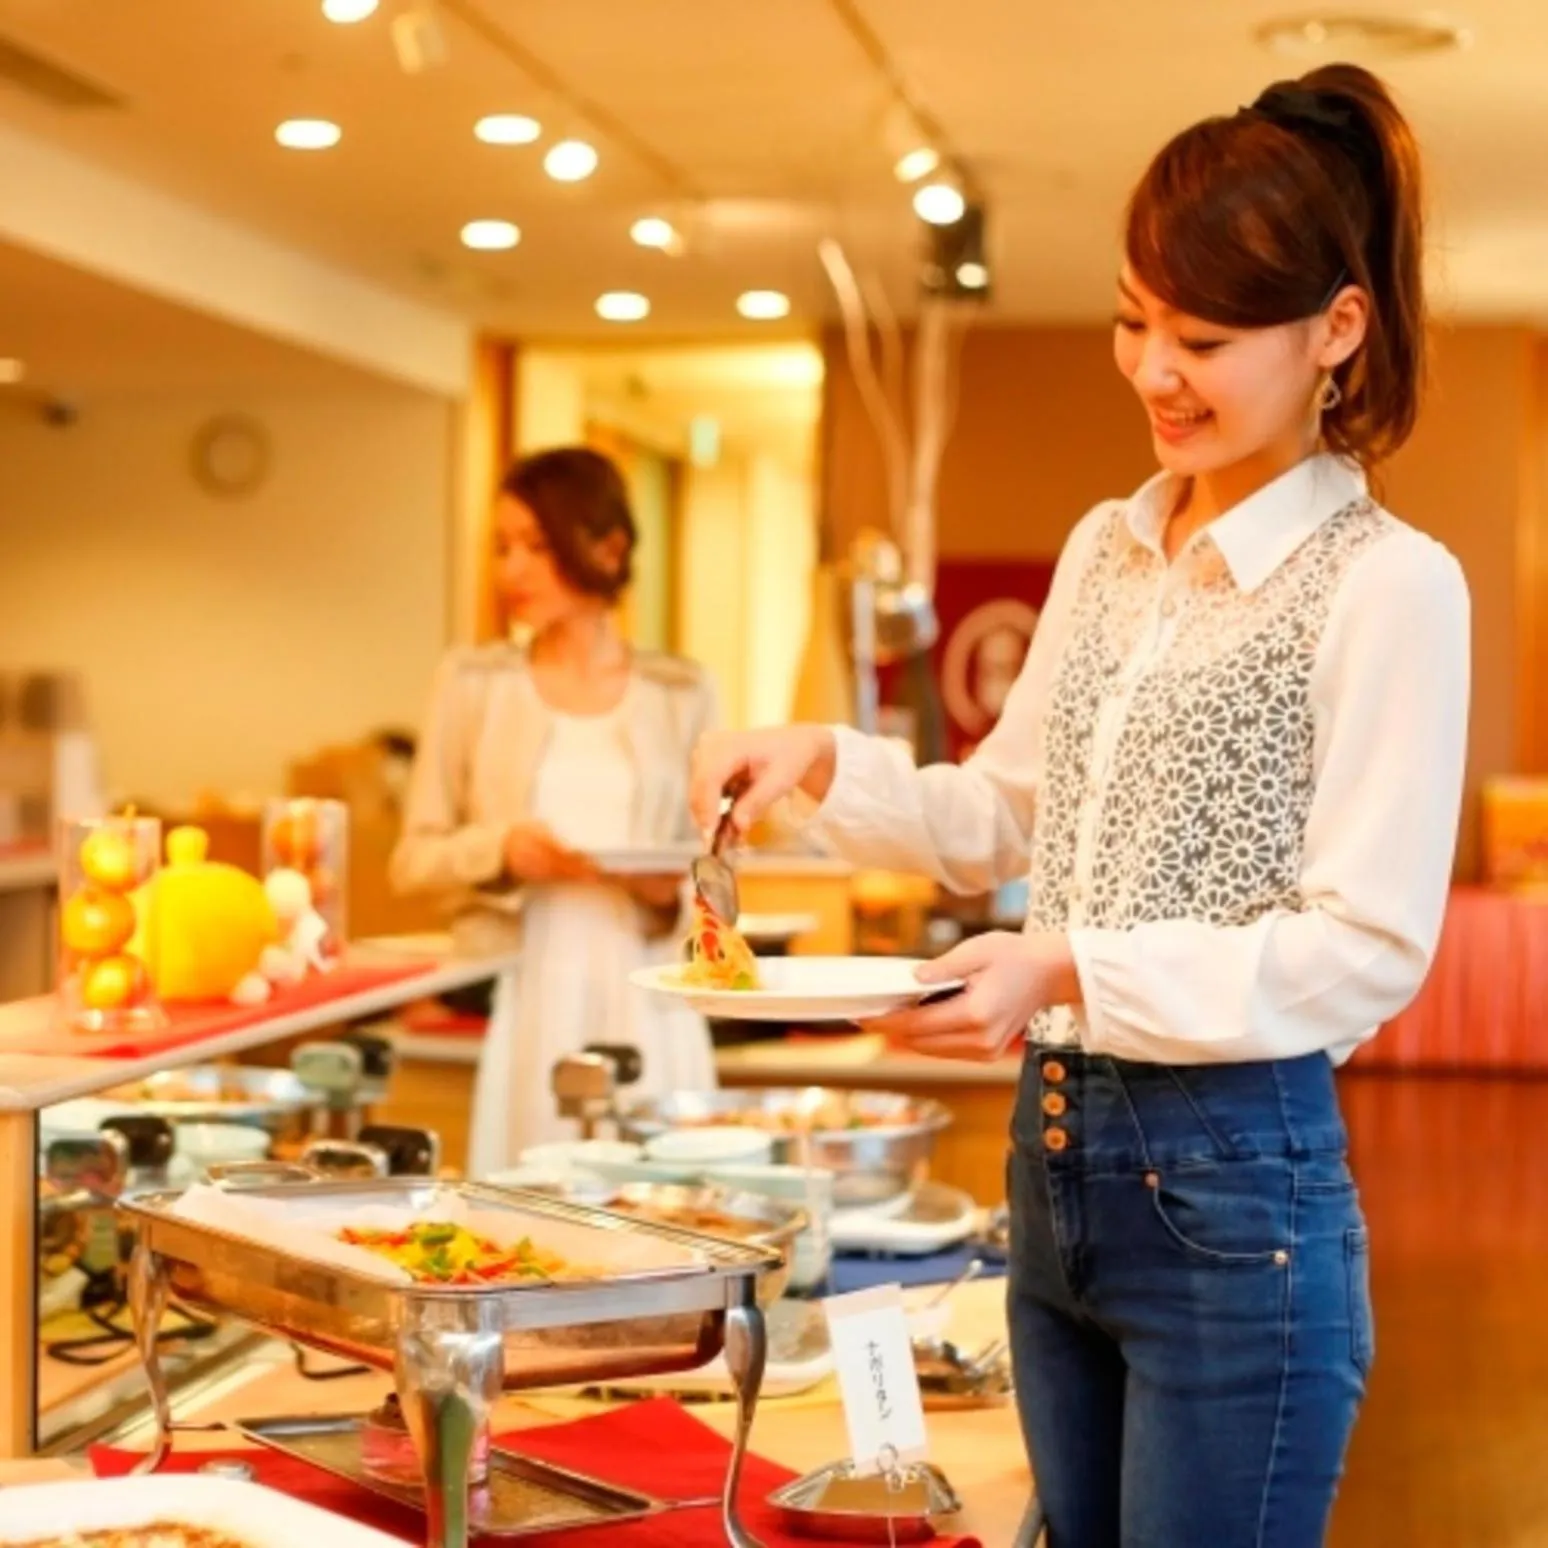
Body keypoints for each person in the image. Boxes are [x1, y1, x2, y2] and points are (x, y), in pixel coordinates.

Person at [691, 63, 1469, 1548]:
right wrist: (823, 766)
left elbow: (1364, 948)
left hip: (1236, 1196)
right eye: (1133, 320)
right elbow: (1004, 817)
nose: (1153, 372)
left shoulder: (1392, 586)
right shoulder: (1111, 551)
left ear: (1337, 332)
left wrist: (1068, 969)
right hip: (1054, 1172)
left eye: (1204, 338)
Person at [392, 446, 716, 1174]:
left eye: (536, 546)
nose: (512, 570)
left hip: (649, 990)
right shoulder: (473, 683)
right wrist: (502, 851)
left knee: (667, 1197)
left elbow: (722, 863)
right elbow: (414, 857)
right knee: (534, 1192)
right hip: (531, 982)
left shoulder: (682, 691)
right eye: (503, 547)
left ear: (608, 547)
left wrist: (671, 893)